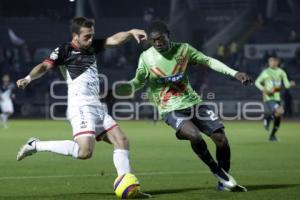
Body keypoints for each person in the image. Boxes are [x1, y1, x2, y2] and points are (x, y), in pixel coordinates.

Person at [16, 17, 151, 197]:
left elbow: (114, 40)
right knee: (85, 152)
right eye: (87, 36)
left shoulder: (92, 45)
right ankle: (36, 145)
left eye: (92, 35)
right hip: (80, 105)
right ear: (75, 36)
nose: (90, 39)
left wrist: (131, 31)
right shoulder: (64, 50)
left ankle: (128, 188)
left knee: (121, 141)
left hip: (96, 105)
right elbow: (44, 66)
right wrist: (28, 78)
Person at [116, 21, 252, 192]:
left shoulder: (184, 49)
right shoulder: (146, 58)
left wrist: (235, 73)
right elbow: (138, 81)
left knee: (221, 140)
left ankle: (223, 182)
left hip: (194, 102)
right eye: (153, 40)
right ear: (149, 41)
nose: (158, 43)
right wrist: (124, 87)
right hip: (170, 108)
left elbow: (208, 61)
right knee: (195, 136)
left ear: (168, 35)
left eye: (161, 38)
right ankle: (217, 171)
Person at [255, 55, 295, 141]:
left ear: (277, 62)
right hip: (268, 97)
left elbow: (286, 85)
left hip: (277, 97)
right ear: (269, 63)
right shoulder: (265, 72)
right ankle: (267, 119)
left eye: (274, 61)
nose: (272, 63)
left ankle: (272, 135)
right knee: (280, 111)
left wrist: (290, 84)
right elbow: (257, 82)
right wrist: (263, 89)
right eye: (270, 61)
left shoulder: (281, 72)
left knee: (278, 116)